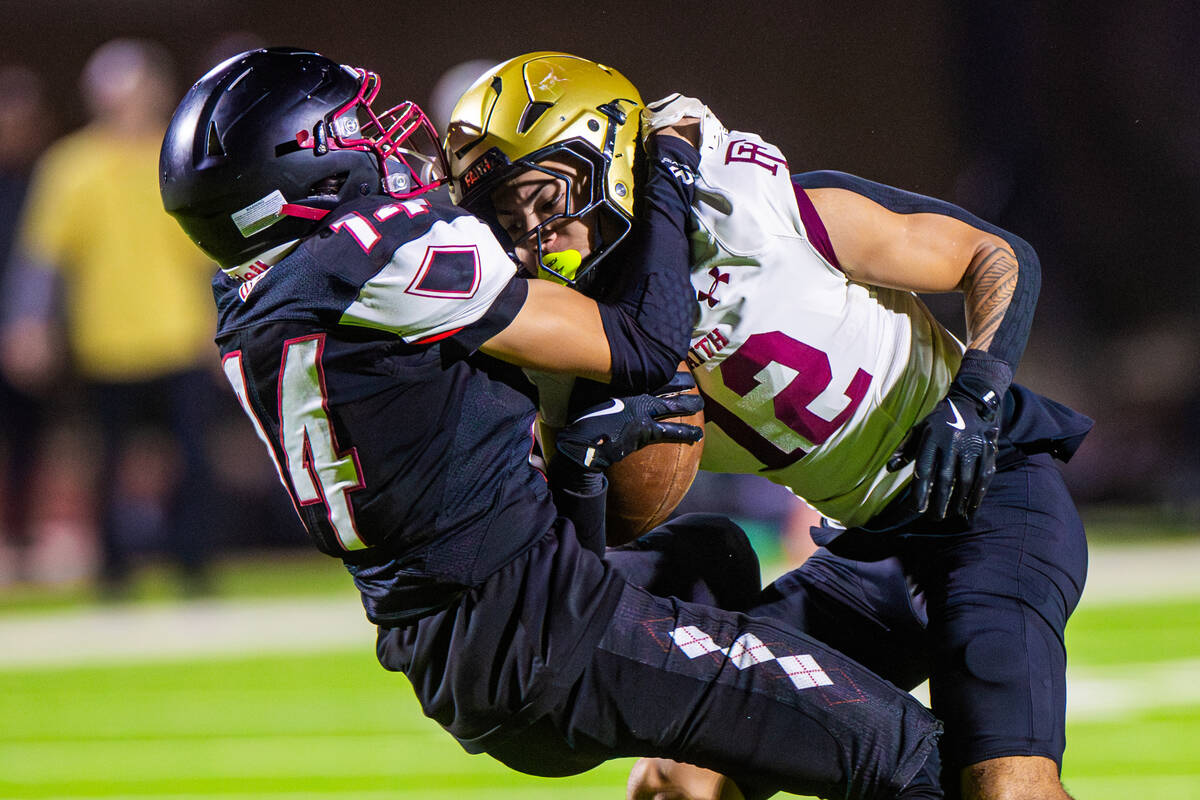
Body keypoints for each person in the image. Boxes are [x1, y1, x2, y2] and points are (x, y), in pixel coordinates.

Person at [160, 47, 944, 800]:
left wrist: (574, 462)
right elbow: (642, 344)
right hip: (548, 633)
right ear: (304, 169)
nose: (384, 139)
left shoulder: (247, 308)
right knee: (908, 754)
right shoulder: (371, 256)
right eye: (353, 130)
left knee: (714, 558)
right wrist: (668, 168)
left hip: (456, 651)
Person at [444, 52, 1092, 800]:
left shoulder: (752, 213)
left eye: (543, 196)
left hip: (989, 498)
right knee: (678, 782)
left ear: (609, 162)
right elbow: (583, 548)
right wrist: (582, 466)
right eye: (502, 214)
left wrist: (976, 394)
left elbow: (995, 253)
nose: (530, 236)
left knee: (1006, 790)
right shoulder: (572, 345)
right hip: (872, 548)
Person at [5, 39, 223, 596]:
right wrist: (29, 324)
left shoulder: (179, 158)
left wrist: (220, 325)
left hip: (176, 334)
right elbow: (43, 258)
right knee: (107, 462)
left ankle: (194, 566)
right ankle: (114, 571)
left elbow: (210, 255)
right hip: (107, 339)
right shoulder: (71, 165)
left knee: (195, 460)